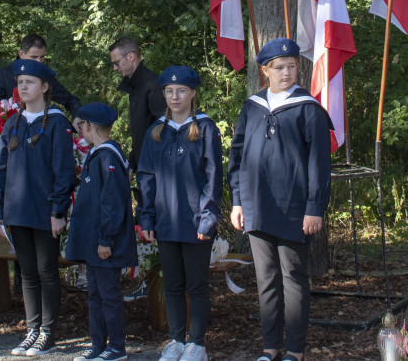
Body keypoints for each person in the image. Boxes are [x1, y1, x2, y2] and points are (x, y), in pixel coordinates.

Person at [228, 39, 332, 361]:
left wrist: (314, 207)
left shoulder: (308, 108)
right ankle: (270, 349)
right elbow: (237, 156)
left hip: (294, 209)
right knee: (266, 279)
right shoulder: (252, 107)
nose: (286, 72)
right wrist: (238, 201)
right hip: (257, 206)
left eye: (291, 66)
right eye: (279, 67)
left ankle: (295, 351)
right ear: (265, 71)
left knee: (294, 279)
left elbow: (319, 162)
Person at [137, 66, 222, 361]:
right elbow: (146, 177)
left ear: (193, 93)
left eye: (181, 90)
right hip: (165, 222)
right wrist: (146, 217)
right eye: (169, 91)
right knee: (172, 285)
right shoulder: (156, 132)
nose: (175, 96)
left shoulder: (206, 129)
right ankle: (175, 341)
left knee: (196, 285)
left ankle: (197, 345)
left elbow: (213, 177)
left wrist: (208, 218)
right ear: (163, 94)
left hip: (196, 221)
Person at [0, 59, 76, 357]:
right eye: (20, 83)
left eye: (29, 82)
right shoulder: (13, 122)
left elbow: (64, 171)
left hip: (44, 211)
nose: (23, 87)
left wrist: (58, 211)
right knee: (27, 274)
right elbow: (1, 169)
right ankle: (32, 329)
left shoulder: (56, 122)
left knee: (46, 271)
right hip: (17, 210)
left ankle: (48, 332)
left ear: (44, 87)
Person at [66, 103, 137, 361]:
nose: (79, 130)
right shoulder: (98, 154)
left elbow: (113, 202)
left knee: (108, 296)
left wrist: (106, 239)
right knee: (95, 295)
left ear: (88, 126)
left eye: (81, 125)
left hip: (106, 243)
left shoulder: (108, 157)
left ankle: (116, 347)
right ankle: (98, 344)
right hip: (94, 241)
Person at [108, 37, 166, 175]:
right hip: (144, 166)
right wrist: (133, 163)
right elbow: (140, 131)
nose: (115, 68)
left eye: (116, 62)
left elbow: (165, 126)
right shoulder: (135, 86)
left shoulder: (152, 84)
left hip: (156, 168)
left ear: (131, 56)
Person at [0, 34, 81, 116]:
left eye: (42, 57)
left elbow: (70, 100)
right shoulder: (3, 75)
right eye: (34, 57)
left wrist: (78, 118)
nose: (39, 62)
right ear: (21, 54)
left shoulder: (45, 75)